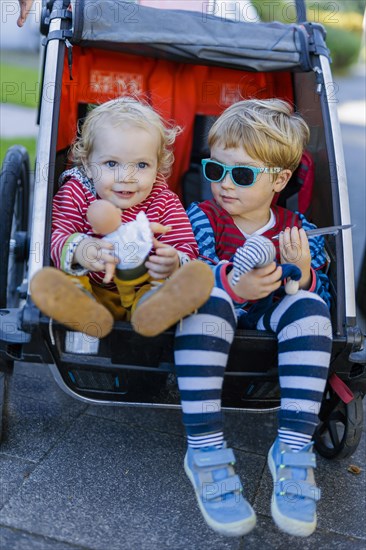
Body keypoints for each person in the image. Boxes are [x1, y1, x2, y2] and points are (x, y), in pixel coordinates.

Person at [174, 99, 332, 538]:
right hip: (212, 317)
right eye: (215, 170)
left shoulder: (294, 227)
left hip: (268, 321)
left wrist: (302, 272)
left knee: (313, 308)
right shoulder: (204, 217)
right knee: (205, 297)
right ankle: (204, 451)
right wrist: (234, 285)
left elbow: (318, 288)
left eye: (241, 175)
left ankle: (293, 449)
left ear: (280, 180)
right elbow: (192, 267)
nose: (224, 185)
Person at [30, 97, 213, 338]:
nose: (126, 177)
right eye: (112, 163)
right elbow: (54, 236)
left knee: (165, 285)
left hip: (142, 287)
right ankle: (85, 313)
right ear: (87, 162)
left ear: (157, 166)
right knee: (68, 282)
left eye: (141, 165)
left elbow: (186, 246)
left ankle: (154, 312)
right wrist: (81, 248)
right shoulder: (78, 192)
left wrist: (175, 261)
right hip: (93, 286)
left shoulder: (164, 200)